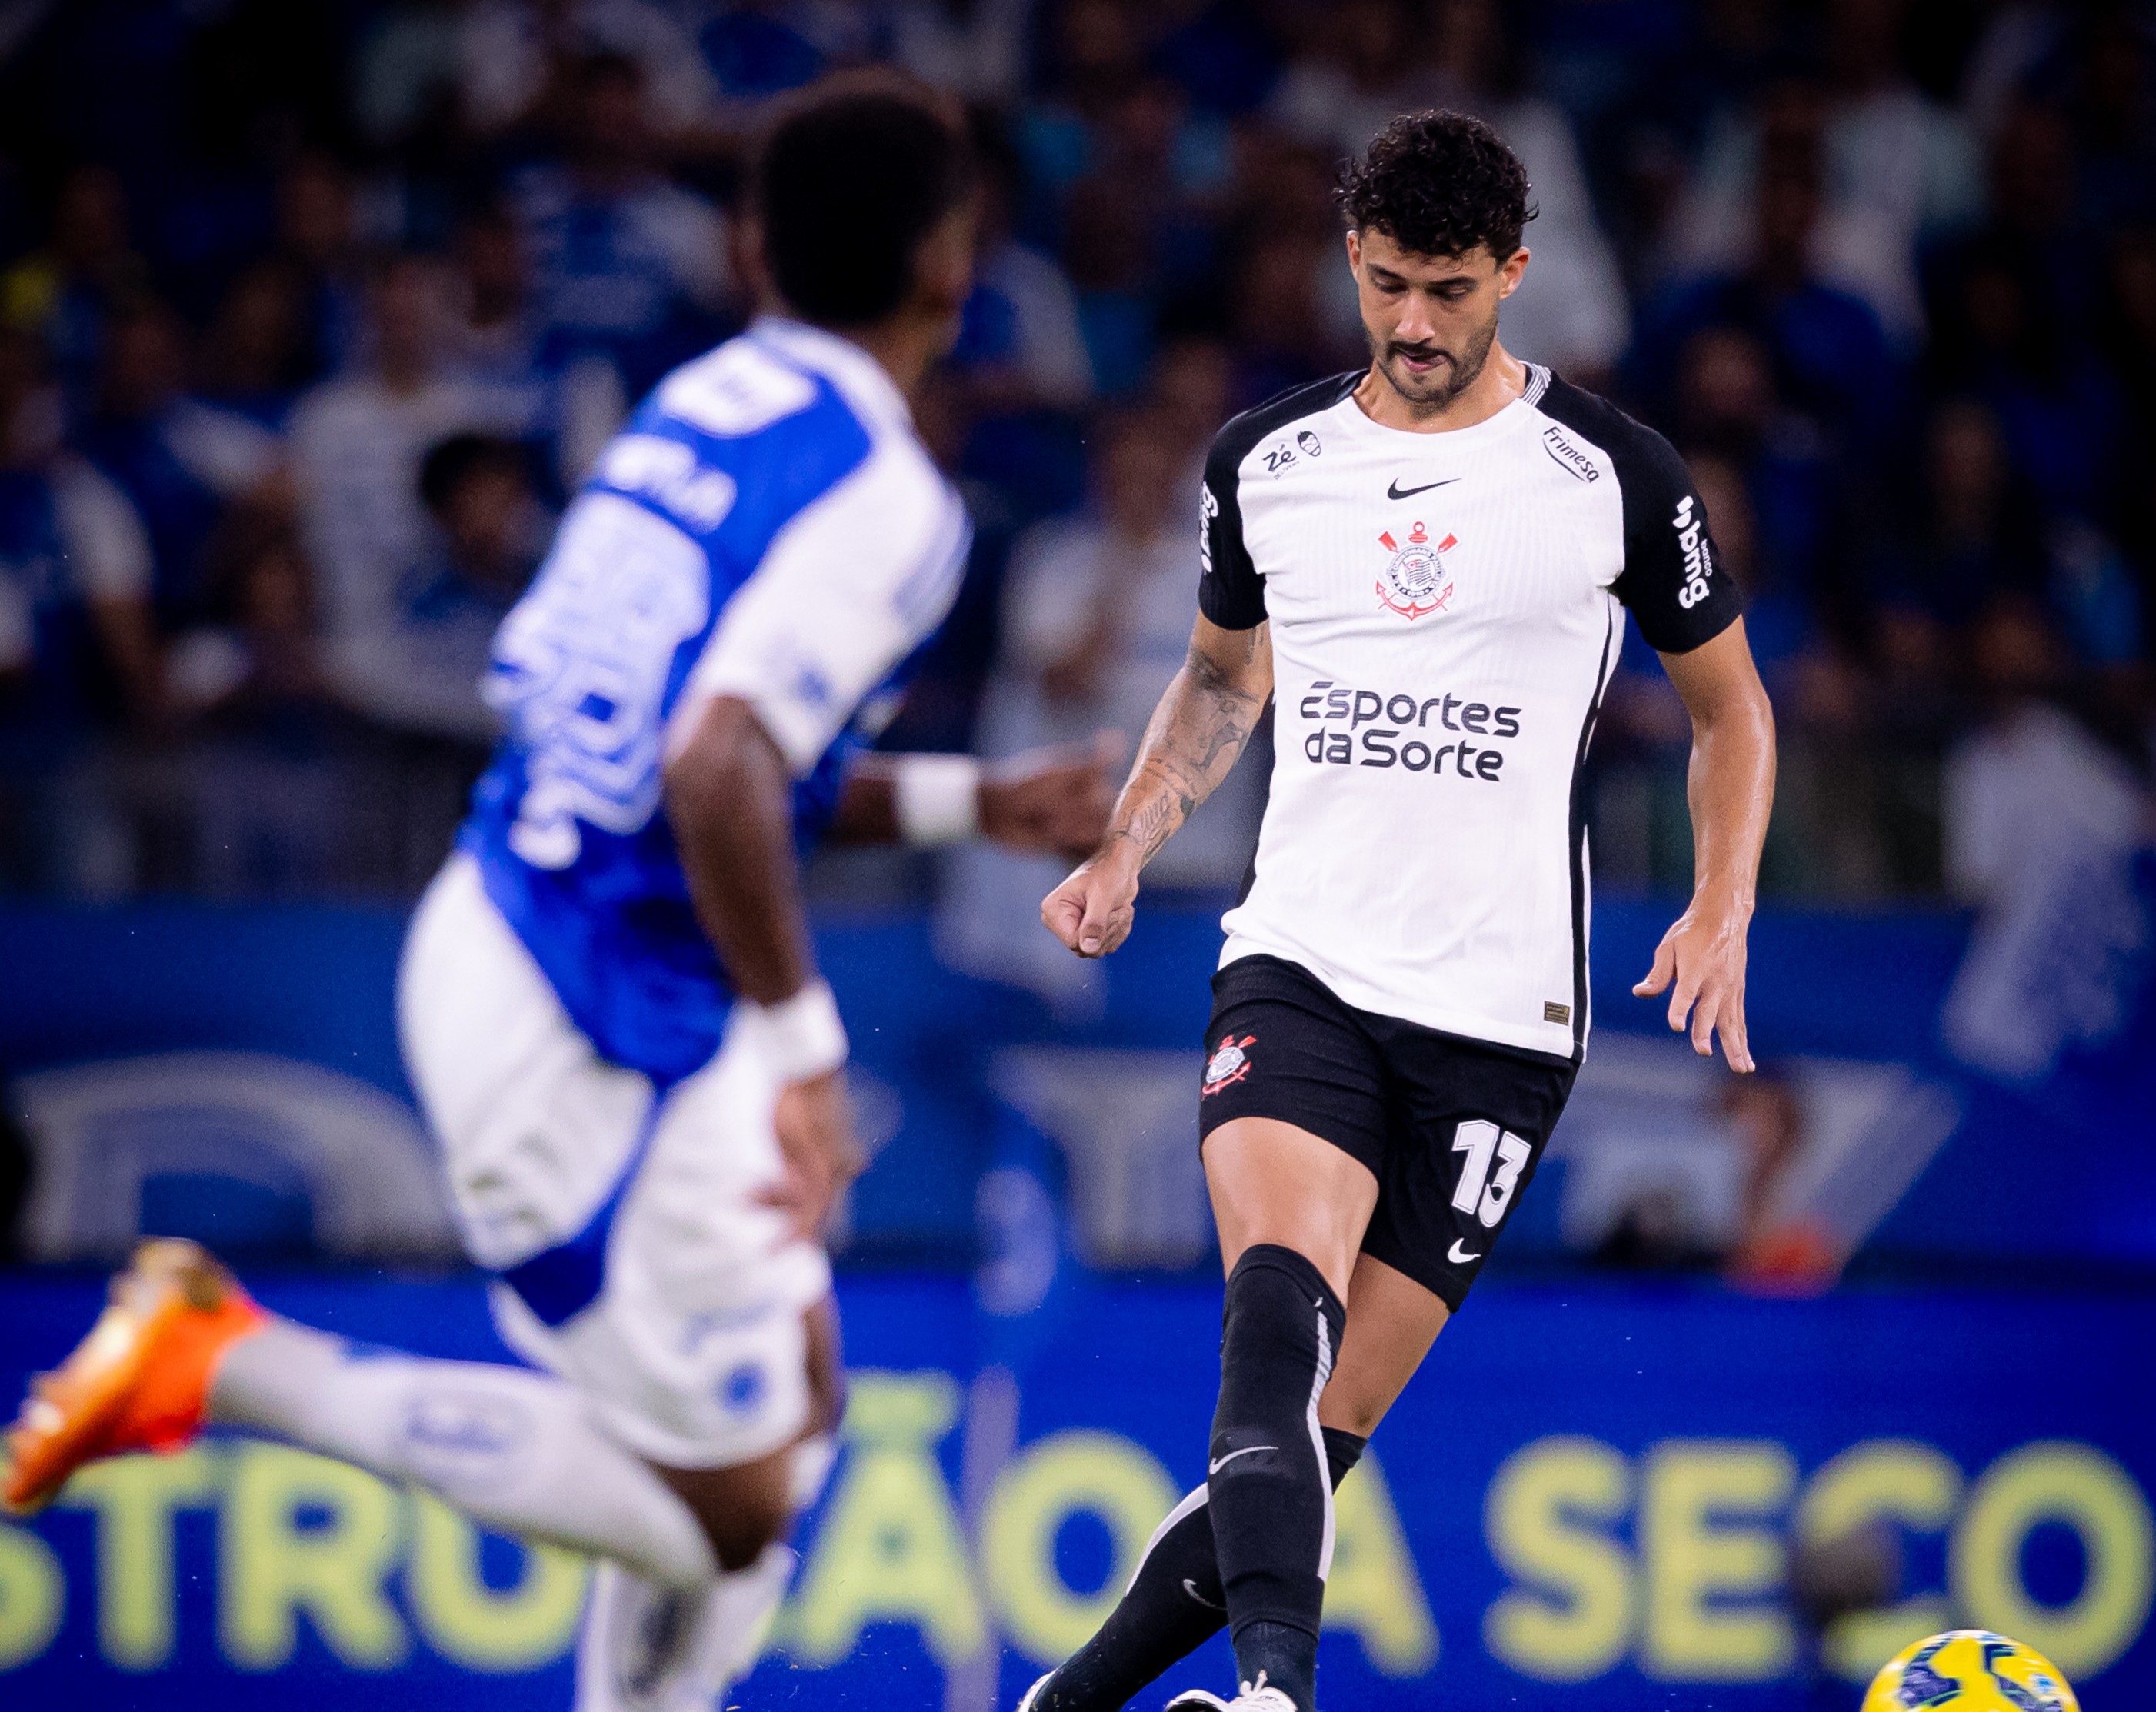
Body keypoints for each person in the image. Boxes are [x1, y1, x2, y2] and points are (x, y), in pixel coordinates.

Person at [2, 79, 1107, 1712]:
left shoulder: (692, 405)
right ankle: (227, 1359)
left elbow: (701, 752)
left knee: (795, 1379)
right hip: (584, 1022)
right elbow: (718, 769)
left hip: (569, 943)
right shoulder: (893, 501)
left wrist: (966, 799)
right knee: (731, 1509)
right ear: (956, 266)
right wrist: (807, 1062)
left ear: (751, 251)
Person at [1026, 111, 1778, 1712]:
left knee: (1322, 1435)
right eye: (1384, 287)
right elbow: (1222, 678)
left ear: (1515, 271)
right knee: (1273, 1310)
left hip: (1505, 1023)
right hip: (1302, 960)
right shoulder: (1269, 464)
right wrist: (1127, 843)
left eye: (1448, 289)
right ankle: (1279, 1697)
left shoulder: (1615, 479)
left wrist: (1720, 903)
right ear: (1347, 266)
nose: (1414, 326)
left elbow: (1731, 714)